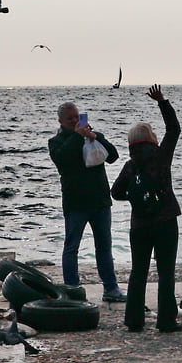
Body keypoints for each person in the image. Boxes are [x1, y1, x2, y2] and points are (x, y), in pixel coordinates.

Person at [110, 84, 182, 332]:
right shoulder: (161, 156)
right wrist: (162, 101)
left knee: (138, 272)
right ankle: (166, 321)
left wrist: (135, 198)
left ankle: (134, 320)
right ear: (151, 139)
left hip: (139, 225)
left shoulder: (130, 166)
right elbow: (174, 129)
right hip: (165, 222)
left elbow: (115, 193)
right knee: (166, 273)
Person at [48, 101, 126, 302]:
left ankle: (111, 288)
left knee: (104, 247)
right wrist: (77, 136)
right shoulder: (56, 142)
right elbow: (63, 159)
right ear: (61, 121)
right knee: (72, 247)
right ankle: (72, 290)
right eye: (70, 118)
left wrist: (95, 137)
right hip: (76, 203)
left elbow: (113, 156)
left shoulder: (93, 135)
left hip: (100, 201)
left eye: (77, 117)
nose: (75, 120)